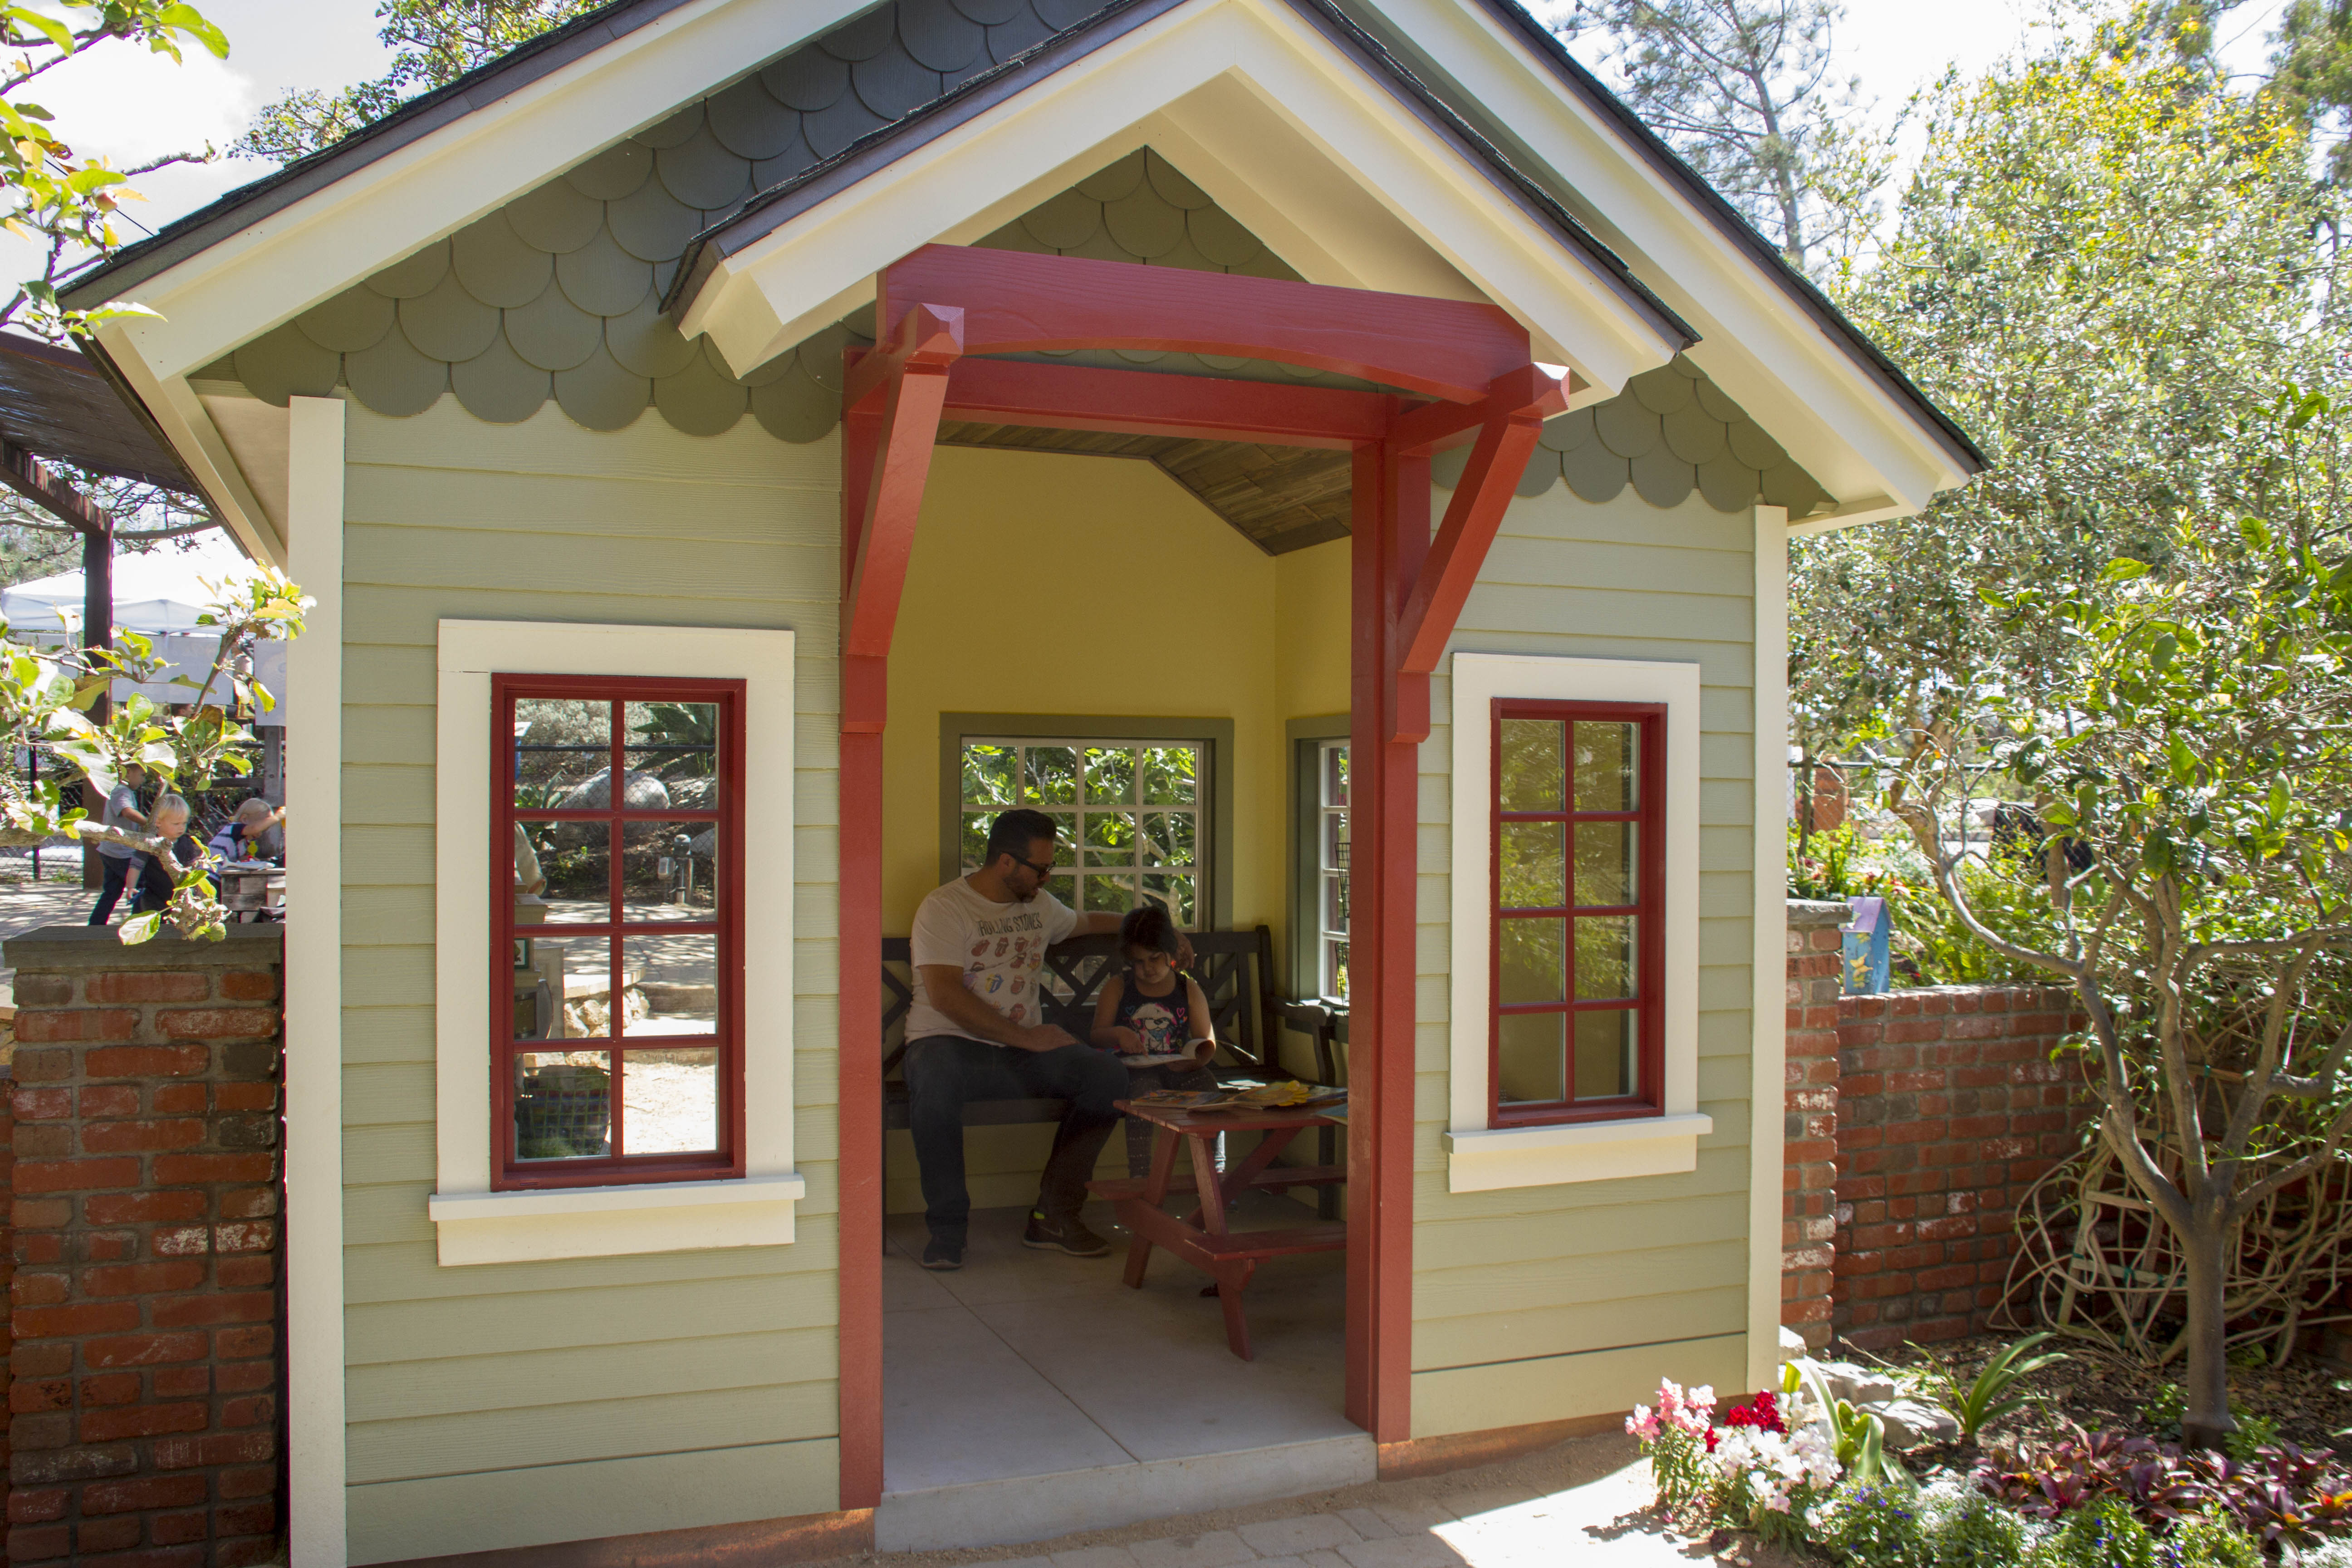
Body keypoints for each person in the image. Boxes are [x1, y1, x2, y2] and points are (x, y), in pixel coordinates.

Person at [902, 807, 1189, 1271]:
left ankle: (1054, 1216)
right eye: (1041, 868)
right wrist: (1029, 1038)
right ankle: (948, 1230)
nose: (1048, 877)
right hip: (947, 1042)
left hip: (1019, 1051)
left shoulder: (1038, 906)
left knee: (1105, 1076)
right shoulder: (945, 908)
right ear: (1006, 863)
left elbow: (1086, 921)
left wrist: (1160, 931)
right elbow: (945, 995)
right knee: (933, 1084)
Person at [1091, 903, 1221, 1176]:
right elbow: (1096, 1034)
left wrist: (1195, 1057)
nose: (1147, 969)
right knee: (1144, 1098)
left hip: (1178, 1067)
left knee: (1208, 1087)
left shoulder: (1187, 988)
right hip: (1136, 1070)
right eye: (1138, 962)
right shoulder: (1119, 987)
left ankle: (1215, 1174)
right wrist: (1118, 1033)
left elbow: (1205, 1038)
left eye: (1155, 959)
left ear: (1171, 954)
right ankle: (1141, 1174)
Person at [87, 763, 148, 926]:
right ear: (129, 772)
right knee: (141, 885)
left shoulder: (120, 790)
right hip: (121, 852)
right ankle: (138, 924)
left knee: (112, 891)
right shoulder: (121, 790)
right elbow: (127, 811)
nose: (144, 780)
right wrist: (150, 824)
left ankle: (95, 925)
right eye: (142, 775)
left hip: (111, 850)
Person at [131, 794, 201, 914]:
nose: (181, 828)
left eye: (184, 823)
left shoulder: (186, 843)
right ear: (158, 822)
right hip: (153, 896)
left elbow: (193, 868)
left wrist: (199, 889)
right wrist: (130, 887)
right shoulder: (150, 843)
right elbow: (136, 864)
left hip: (179, 895)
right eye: (176, 824)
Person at [206, 798, 285, 863]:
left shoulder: (243, 841)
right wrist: (277, 817)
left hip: (220, 876)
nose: (259, 834)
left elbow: (232, 858)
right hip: (211, 875)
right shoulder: (234, 828)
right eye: (261, 828)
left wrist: (245, 859)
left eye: (263, 831)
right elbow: (254, 829)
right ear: (245, 819)